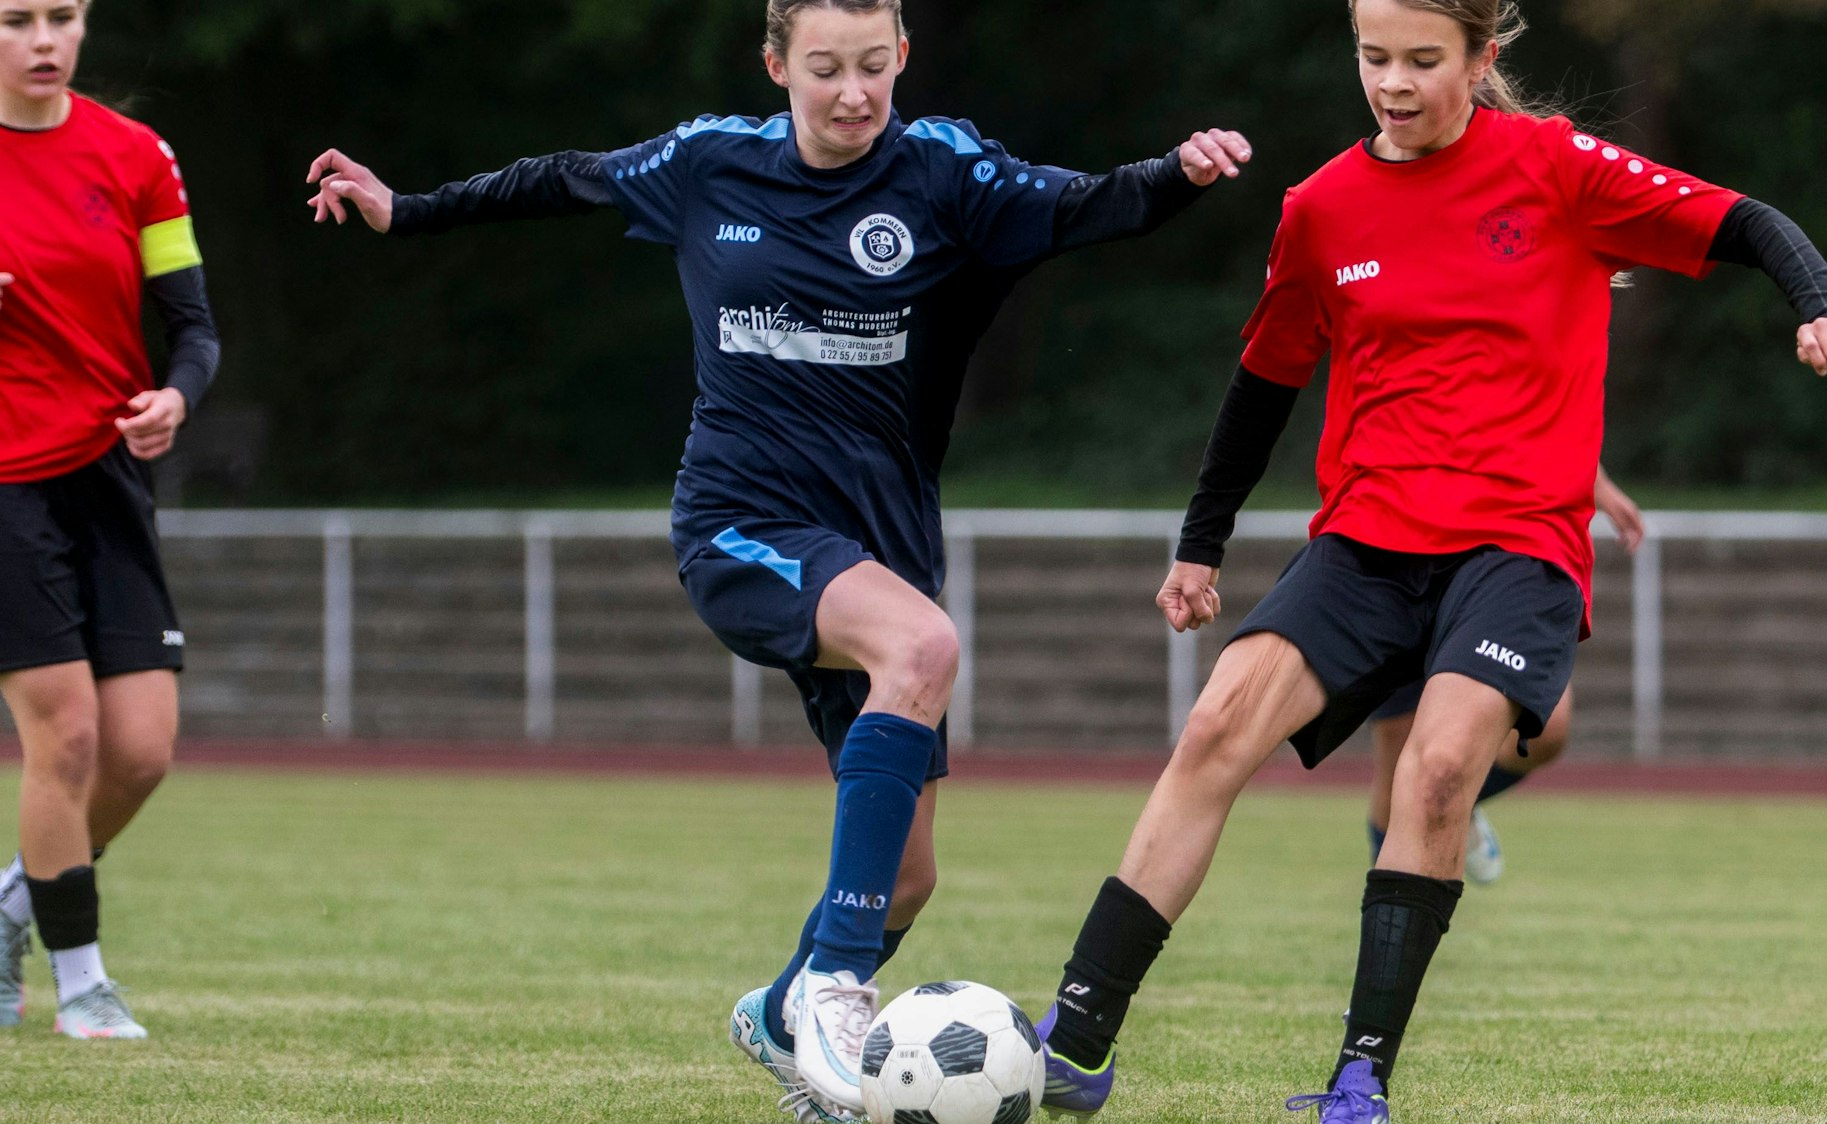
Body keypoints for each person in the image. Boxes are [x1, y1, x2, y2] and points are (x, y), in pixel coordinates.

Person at [303, 0, 1249, 1117]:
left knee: (908, 875)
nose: (853, 93)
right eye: (824, 69)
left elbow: (1083, 205)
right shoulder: (709, 163)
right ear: (775, 67)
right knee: (921, 646)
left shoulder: (944, 172)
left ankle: (781, 1010)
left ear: (903, 55)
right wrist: (407, 210)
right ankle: (837, 989)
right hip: (739, 520)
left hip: (883, 544)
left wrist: (1176, 174)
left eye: (872, 66)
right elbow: (563, 178)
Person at [1032, 0, 1827, 1119]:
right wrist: (1200, 543)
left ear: (1482, 59)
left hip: (1518, 545)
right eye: (1374, 57)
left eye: (1423, 60)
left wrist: (1820, 304)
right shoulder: (1320, 208)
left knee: (1435, 773)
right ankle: (1074, 1041)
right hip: (1366, 540)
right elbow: (1264, 383)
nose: (1394, 83)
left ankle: (1358, 1079)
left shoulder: (1556, 166)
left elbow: (1746, 220)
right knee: (1217, 723)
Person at [0, 0, 220, 1040]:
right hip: (6, 484)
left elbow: (192, 328)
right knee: (69, 734)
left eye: (63, 16)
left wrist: (176, 396)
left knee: (139, 751)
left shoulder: (137, 156)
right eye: (15, 20)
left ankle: (11, 903)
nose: (44, 40)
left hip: (109, 479)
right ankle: (81, 984)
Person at [1363, 465, 1646, 885]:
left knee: (1546, 727)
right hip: (1401, 533)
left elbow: (1558, 419)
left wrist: (1596, 480)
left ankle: (1456, 794)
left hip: (1502, 538)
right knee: (1399, 766)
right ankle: (1389, 918)